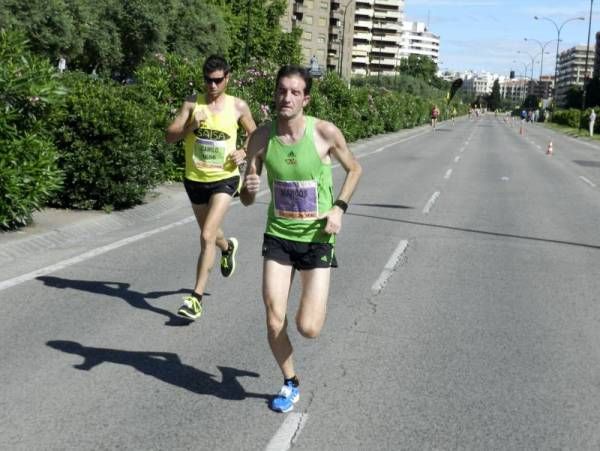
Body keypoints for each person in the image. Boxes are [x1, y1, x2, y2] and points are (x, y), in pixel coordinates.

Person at [240, 65, 362, 413]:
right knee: (273, 317)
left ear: (306, 98)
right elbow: (247, 196)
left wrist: (338, 207)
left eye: (295, 92)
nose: (286, 98)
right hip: (278, 235)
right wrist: (247, 189)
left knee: (308, 327)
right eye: (282, 91)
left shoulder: (324, 133)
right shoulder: (261, 138)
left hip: (317, 238)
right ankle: (290, 381)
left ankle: (312, 303)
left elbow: (355, 169)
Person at [166, 55, 257, 320]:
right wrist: (190, 126)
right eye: (208, 80)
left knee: (206, 236)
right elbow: (169, 136)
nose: (213, 86)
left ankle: (195, 299)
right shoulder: (192, 104)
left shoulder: (238, 106)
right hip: (195, 179)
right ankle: (227, 247)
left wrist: (243, 151)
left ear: (227, 78)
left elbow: (256, 135)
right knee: (212, 235)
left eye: (218, 80)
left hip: (224, 179)